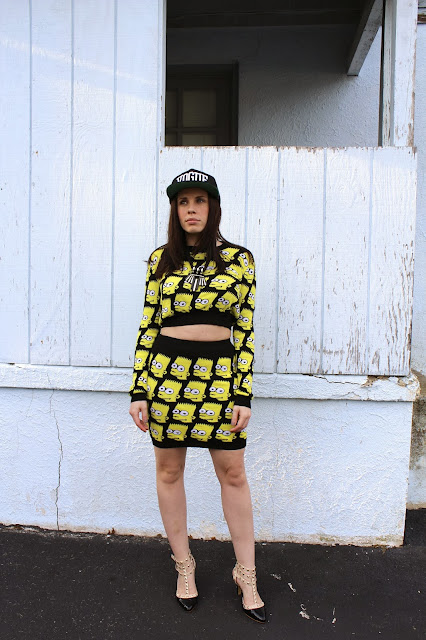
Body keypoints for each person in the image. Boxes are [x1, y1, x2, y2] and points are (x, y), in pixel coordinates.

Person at [128, 169, 266, 623]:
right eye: (183, 202)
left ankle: (246, 572)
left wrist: (243, 393)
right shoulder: (160, 261)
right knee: (169, 471)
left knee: (233, 473)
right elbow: (148, 326)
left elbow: (245, 330)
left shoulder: (238, 260)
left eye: (199, 201)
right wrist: (139, 388)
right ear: (175, 210)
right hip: (166, 376)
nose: (191, 209)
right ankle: (184, 565)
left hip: (219, 382)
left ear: (213, 207)